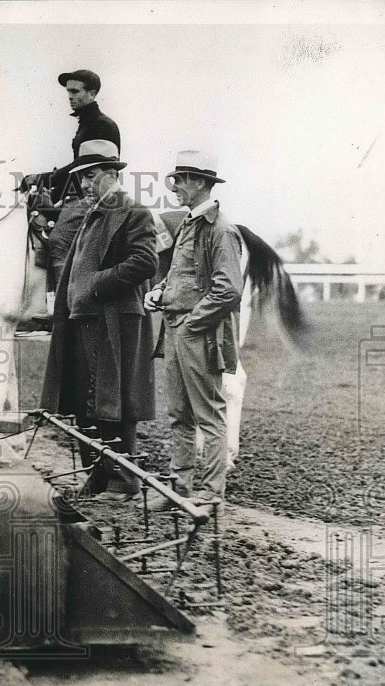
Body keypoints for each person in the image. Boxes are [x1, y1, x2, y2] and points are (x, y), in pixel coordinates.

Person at [40, 140, 158, 500]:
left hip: (113, 322)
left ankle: (125, 481)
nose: (85, 185)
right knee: (83, 403)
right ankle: (98, 477)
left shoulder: (133, 211)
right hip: (82, 320)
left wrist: (93, 284)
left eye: (91, 176)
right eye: (81, 179)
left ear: (112, 173)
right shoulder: (92, 213)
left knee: (113, 402)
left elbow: (145, 263)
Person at [144, 150, 243, 509]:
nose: (174, 187)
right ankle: (180, 484)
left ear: (201, 183)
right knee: (179, 414)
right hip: (176, 328)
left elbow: (229, 288)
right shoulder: (189, 222)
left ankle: (212, 492)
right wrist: (159, 292)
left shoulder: (221, 230)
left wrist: (192, 323)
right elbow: (178, 274)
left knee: (209, 414)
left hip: (197, 333)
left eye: (181, 180)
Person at [25, 70, 122, 299]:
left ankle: (64, 306)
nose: (69, 96)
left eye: (75, 91)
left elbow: (84, 166)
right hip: (81, 193)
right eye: (68, 91)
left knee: (59, 239)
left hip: (96, 196)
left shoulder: (102, 125)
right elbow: (78, 169)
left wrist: (44, 179)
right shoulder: (87, 123)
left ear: (92, 93)